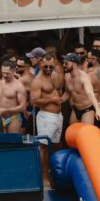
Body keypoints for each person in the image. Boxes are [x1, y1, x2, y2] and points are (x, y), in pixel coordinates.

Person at [31, 54, 65, 185]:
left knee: (56, 146)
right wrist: (51, 99)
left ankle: (54, 174)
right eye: (46, 66)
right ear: (41, 64)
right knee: (43, 147)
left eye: (51, 66)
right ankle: (44, 176)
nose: (48, 69)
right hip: (46, 116)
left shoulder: (55, 75)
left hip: (58, 116)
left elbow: (58, 91)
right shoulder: (37, 81)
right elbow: (34, 102)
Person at [64, 52, 100, 125]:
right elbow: (68, 93)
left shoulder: (83, 77)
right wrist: (58, 100)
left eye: (66, 63)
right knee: (73, 133)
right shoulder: (67, 76)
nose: (64, 65)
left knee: (86, 132)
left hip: (87, 109)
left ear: (74, 64)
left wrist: (98, 110)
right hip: (75, 108)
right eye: (64, 63)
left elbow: (90, 93)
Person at [0, 61, 27, 133]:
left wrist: (6, 110)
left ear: (14, 71)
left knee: (11, 141)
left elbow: (23, 107)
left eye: (7, 73)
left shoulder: (19, 86)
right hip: (0, 117)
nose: (5, 75)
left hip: (14, 118)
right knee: (1, 142)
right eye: (3, 73)